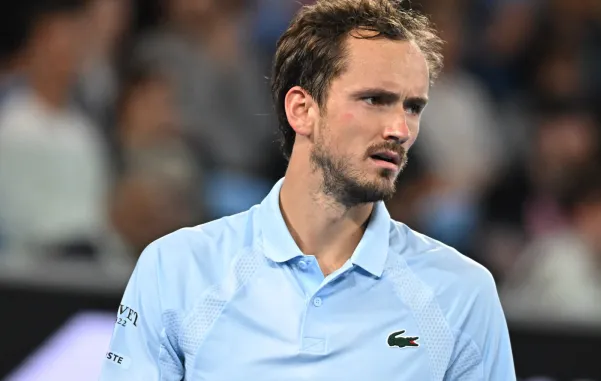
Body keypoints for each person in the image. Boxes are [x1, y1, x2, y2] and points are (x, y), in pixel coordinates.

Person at [99, 1, 515, 380]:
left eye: (413, 107)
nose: (400, 130)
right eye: (375, 99)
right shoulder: (176, 269)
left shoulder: (462, 294)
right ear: (302, 109)